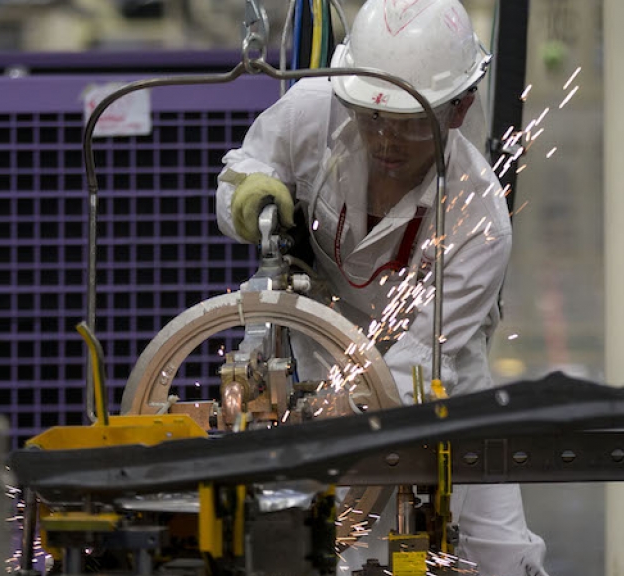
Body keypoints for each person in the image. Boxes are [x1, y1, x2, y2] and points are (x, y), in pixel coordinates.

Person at [214, 0, 549, 574]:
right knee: (322, 546)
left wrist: (332, 416)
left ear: (459, 109)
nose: (387, 140)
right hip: (323, 346)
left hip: (439, 375)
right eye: (372, 117)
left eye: (413, 123)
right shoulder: (312, 113)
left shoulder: (479, 220)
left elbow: (411, 366)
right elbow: (242, 169)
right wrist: (249, 199)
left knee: (500, 556)